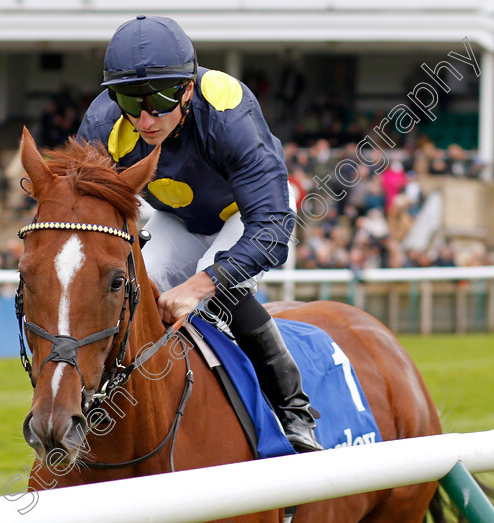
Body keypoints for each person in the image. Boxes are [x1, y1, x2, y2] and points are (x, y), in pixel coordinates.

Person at [77, 15, 320, 452]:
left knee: (216, 284)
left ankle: (293, 409)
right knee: (134, 291)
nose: (147, 118)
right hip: (181, 218)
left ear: (187, 88)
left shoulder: (227, 110)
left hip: (250, 214)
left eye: (162, 99)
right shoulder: (101, 124)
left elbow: (270, 229)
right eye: (131, 102)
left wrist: (199, 285)